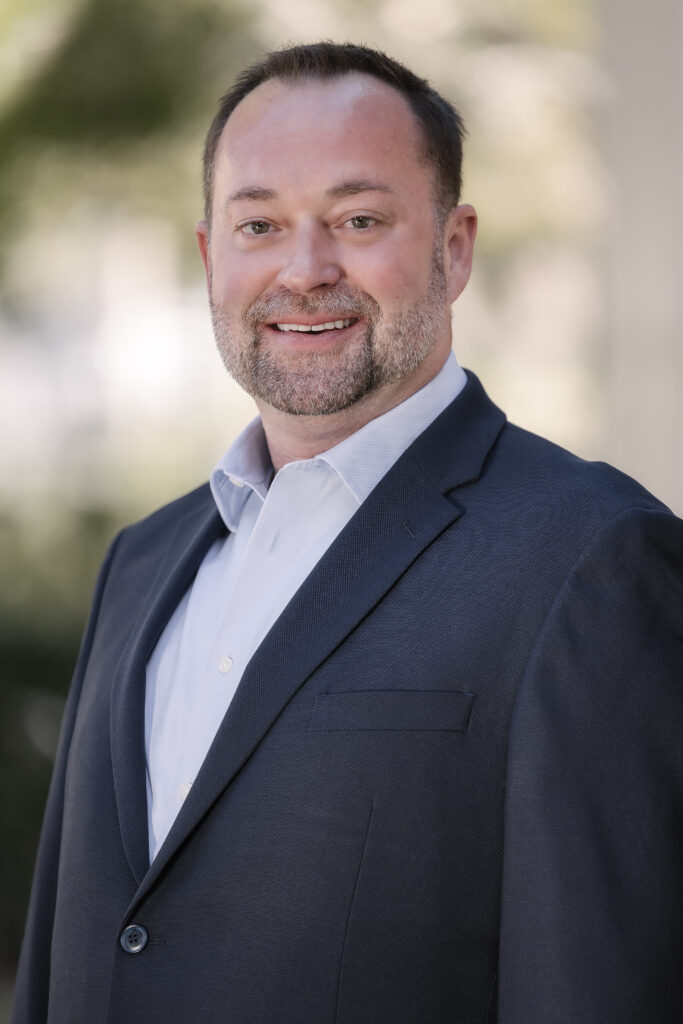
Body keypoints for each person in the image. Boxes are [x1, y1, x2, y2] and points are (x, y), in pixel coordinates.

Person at [12, 42, 683, 1024]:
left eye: (357, 219)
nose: (303, 269)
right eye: (259, 225)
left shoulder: (593, 560)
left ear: (453, 248)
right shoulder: (141, 561)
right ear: (210, 255)